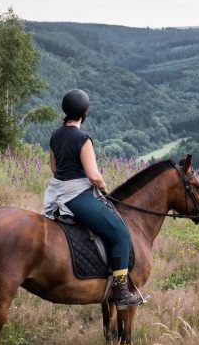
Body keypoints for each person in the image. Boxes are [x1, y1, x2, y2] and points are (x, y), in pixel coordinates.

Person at [42, 89, 145, 309]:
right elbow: (94, 176)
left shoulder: (56, 135)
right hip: (77, 197)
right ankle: (121, 293)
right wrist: (105, 189)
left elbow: (54, 167)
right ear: (85, 112)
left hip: (56, 192)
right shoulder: (83, 139)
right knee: (120, 234)